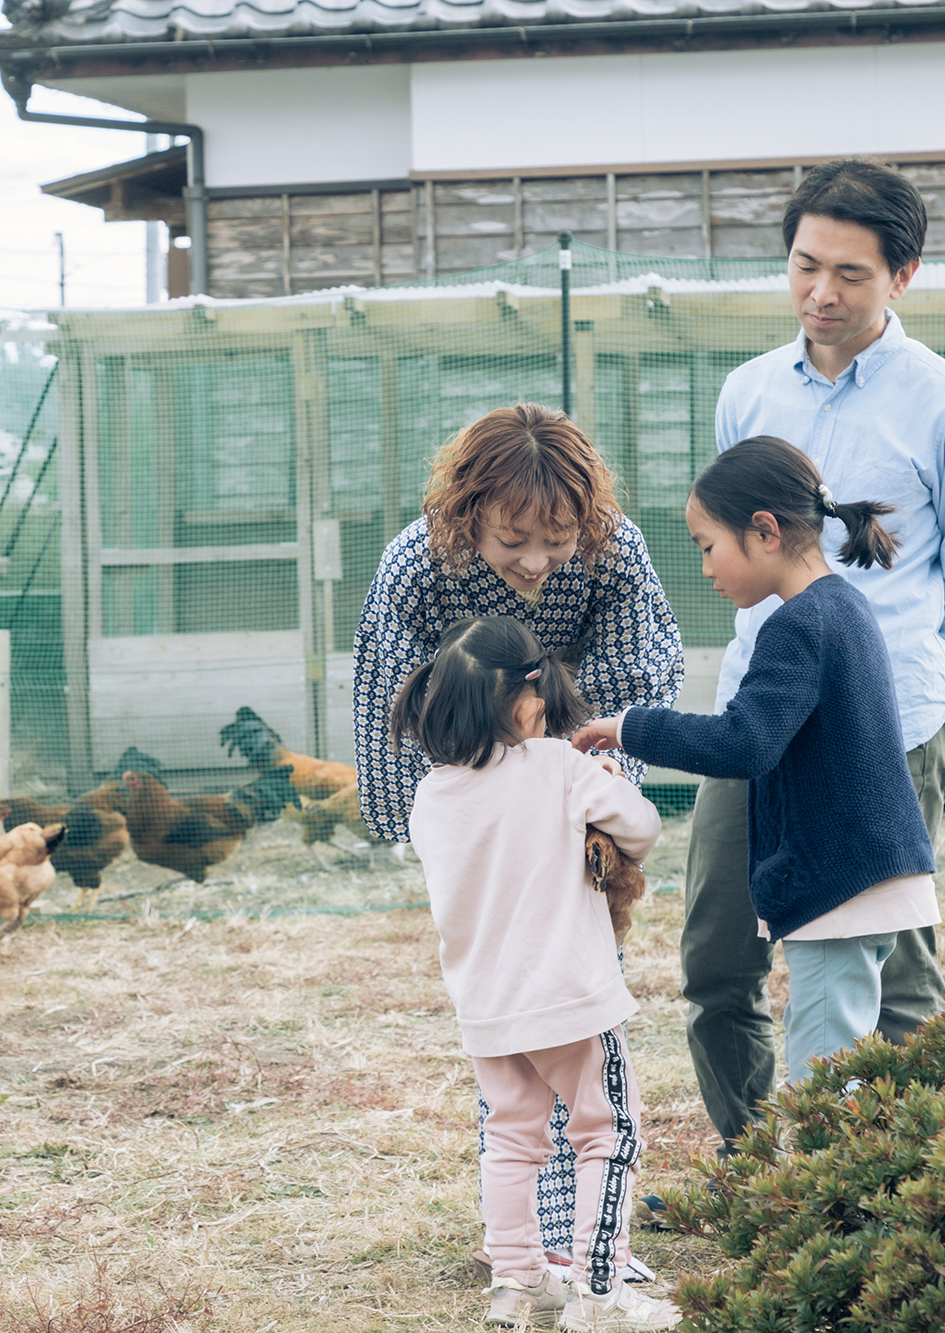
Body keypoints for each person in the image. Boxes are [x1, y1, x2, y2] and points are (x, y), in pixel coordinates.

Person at [684, 158, 945, 1154]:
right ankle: (758, 1183)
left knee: (896, 977)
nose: (819, 292)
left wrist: (871, 687)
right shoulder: (745, 393)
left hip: (890, 725)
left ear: (901, 277)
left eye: (849, 274)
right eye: (801, 265)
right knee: (715, 958)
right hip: (752, 718)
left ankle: (904, 1191)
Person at [353, 402, 685, 1280]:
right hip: (472, 776)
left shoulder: (617, 553)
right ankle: (558, 1248)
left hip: (576, 760)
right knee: (540, 1028)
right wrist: (448, 818)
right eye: (511, 541)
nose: (537, 562)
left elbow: (635, 673)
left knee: (564, 1007)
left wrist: (587, 799)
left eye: (558, 538)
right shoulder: (415, 566)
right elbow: (396, 695)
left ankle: (562, 1244)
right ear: (467, 516)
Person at [576, 437, 938, 1090]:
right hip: (872, 876)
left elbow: (745, 742)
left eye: (707, 545)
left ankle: (816, 1193)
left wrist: (632, 727)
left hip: (839, 889)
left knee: (824, 1088)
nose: (707, 568)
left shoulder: (798, 625)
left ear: (764, 530)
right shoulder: (846, 609)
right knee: (851, 1066)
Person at [396, 615, 681, 1333]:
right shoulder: (558, 766)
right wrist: (608, 779)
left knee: (512, 1138)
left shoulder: (431, 796)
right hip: (571, 1000)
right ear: (519, 696)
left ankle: (518, 1283)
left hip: (489, 1009)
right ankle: (600, 1292)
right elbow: (642, 827)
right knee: (608, 1133)